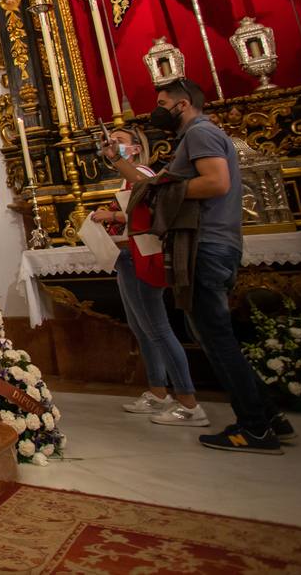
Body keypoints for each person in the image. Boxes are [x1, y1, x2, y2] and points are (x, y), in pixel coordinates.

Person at [141, 78, 293, 453]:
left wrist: (163, 188)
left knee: (216, 338)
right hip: (211, 244)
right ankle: (269, 415)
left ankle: (254, 427)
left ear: (182, 104)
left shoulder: (199, 133)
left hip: (206, 245)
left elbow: (216, 182)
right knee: (215, 335)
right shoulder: (200, 134)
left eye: (163, 102)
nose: (158, 109)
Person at [96, 125, 205, 426]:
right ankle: (158, 392)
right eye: (110, 141)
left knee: (157, 328)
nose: (112, 145)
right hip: (128, 256)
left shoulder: (141, 172)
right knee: (142, 328)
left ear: (134, 148)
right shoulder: (126, 178)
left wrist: (113, 216)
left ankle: (188, 402)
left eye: (119, 142)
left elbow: (158, 207)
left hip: (140, 256)